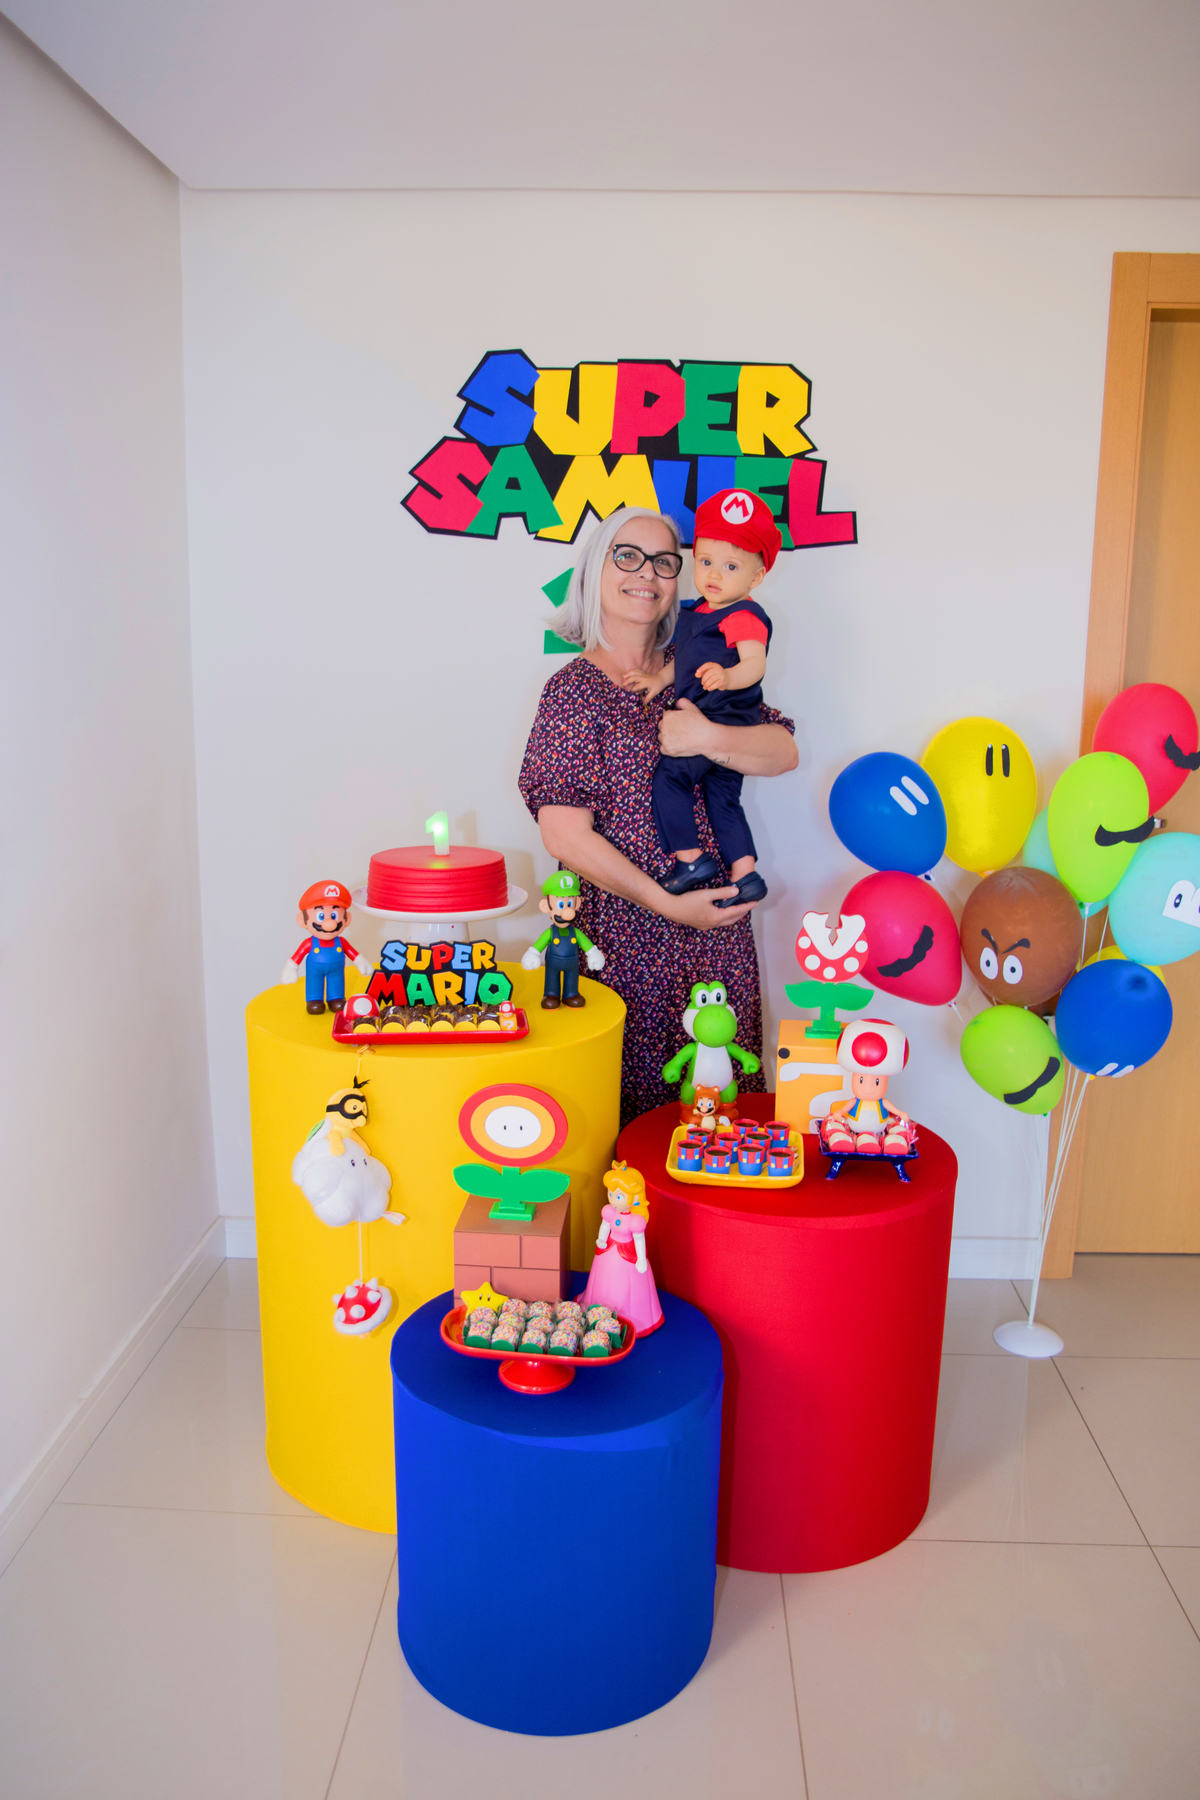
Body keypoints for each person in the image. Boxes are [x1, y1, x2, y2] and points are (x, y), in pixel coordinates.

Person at [518, 506, 798, 1123]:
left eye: (665, 561)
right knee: (617, 1119)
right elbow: (564, 835)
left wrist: (707, 736)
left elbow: (782, 751)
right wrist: (668, 904)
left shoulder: (704, 663)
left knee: (717, 1119)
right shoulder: (572, 690)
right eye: (628, 556)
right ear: (595, 571)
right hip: (617, 942)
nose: (647, 573)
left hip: (713, 935)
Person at [623, 488, 781, 909]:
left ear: (755, 578)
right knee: (723, 799)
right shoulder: (700, 610)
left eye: (731, 566)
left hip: (722, 717)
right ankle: (745, 874)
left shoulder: (742, 614)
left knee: (670, 779)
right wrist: (659, 680)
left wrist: (728, 677)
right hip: (717, 720)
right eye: (706, 562)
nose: (714, 574)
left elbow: (755, 664)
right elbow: (686, 660)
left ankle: (690, 859)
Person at [281, 881, 374, 1015]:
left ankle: (336, 998)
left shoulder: (341, 942)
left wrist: (360, 961)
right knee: (314, 982)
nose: (329, 923)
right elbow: (298, 955)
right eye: (321, 916)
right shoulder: (309, 943)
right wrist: (291, 967)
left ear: (347, 919)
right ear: (302, 920)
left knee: (337, 980)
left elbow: (352, 952)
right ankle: (314, 1000)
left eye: (334, 916)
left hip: (337, 969)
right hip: (314, 969)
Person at [520, 869, 606, 1009]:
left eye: (569, 904)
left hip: (572, 964)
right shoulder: (550, 933)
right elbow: (538, 945)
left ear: (577, 904)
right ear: (546, 906)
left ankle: (571, 994)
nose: (567, 911)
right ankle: (551, 994)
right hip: (553, 963)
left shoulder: (575, 932)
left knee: (572, 978)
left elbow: (587, 945)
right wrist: (533, 953)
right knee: (551, 977)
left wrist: (593, 953)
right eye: (561, 905)